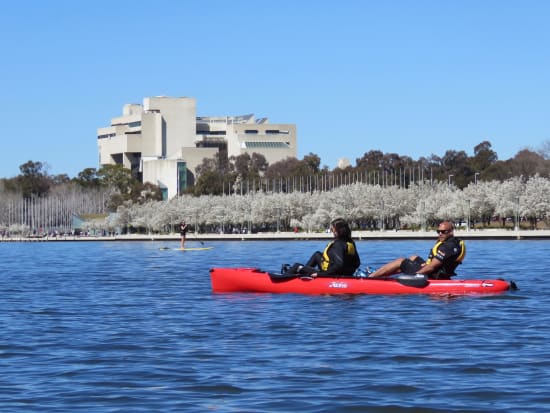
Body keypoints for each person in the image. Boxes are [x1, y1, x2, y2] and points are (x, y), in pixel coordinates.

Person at [367, 221, 466, 279]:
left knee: (400, 261)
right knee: (413, 258)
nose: (440, 234)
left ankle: (370, 278)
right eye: (438, 231)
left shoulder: (447, 247)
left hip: (434, 275)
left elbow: (432, 267)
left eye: (444, 232)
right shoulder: (454, 243)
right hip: (438, 271)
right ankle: (382, 274)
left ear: (451, 232)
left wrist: (415, 276)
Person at [283, 218, 360, 277]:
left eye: (332, 229)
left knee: (297, 266)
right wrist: (349, 272)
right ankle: (305, 274)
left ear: (338, 231)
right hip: (343, 272)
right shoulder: (350, 242)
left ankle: (282, 279)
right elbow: (357, 263)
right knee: (317, 254)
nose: (331, 231)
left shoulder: (338, 244)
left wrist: (321, 274)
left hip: (331, 273)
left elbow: (339, 265)